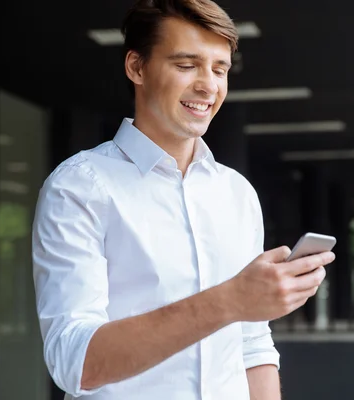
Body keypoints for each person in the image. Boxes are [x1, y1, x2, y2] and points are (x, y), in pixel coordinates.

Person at [32, 0, 335, 399]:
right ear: (137, 67)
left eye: (220, 68)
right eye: (186, 65)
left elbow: (252, 343)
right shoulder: (80, 188)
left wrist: (242, 306)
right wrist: (229, 301)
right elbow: (75, 362)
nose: (208, 85)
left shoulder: (236, 193)